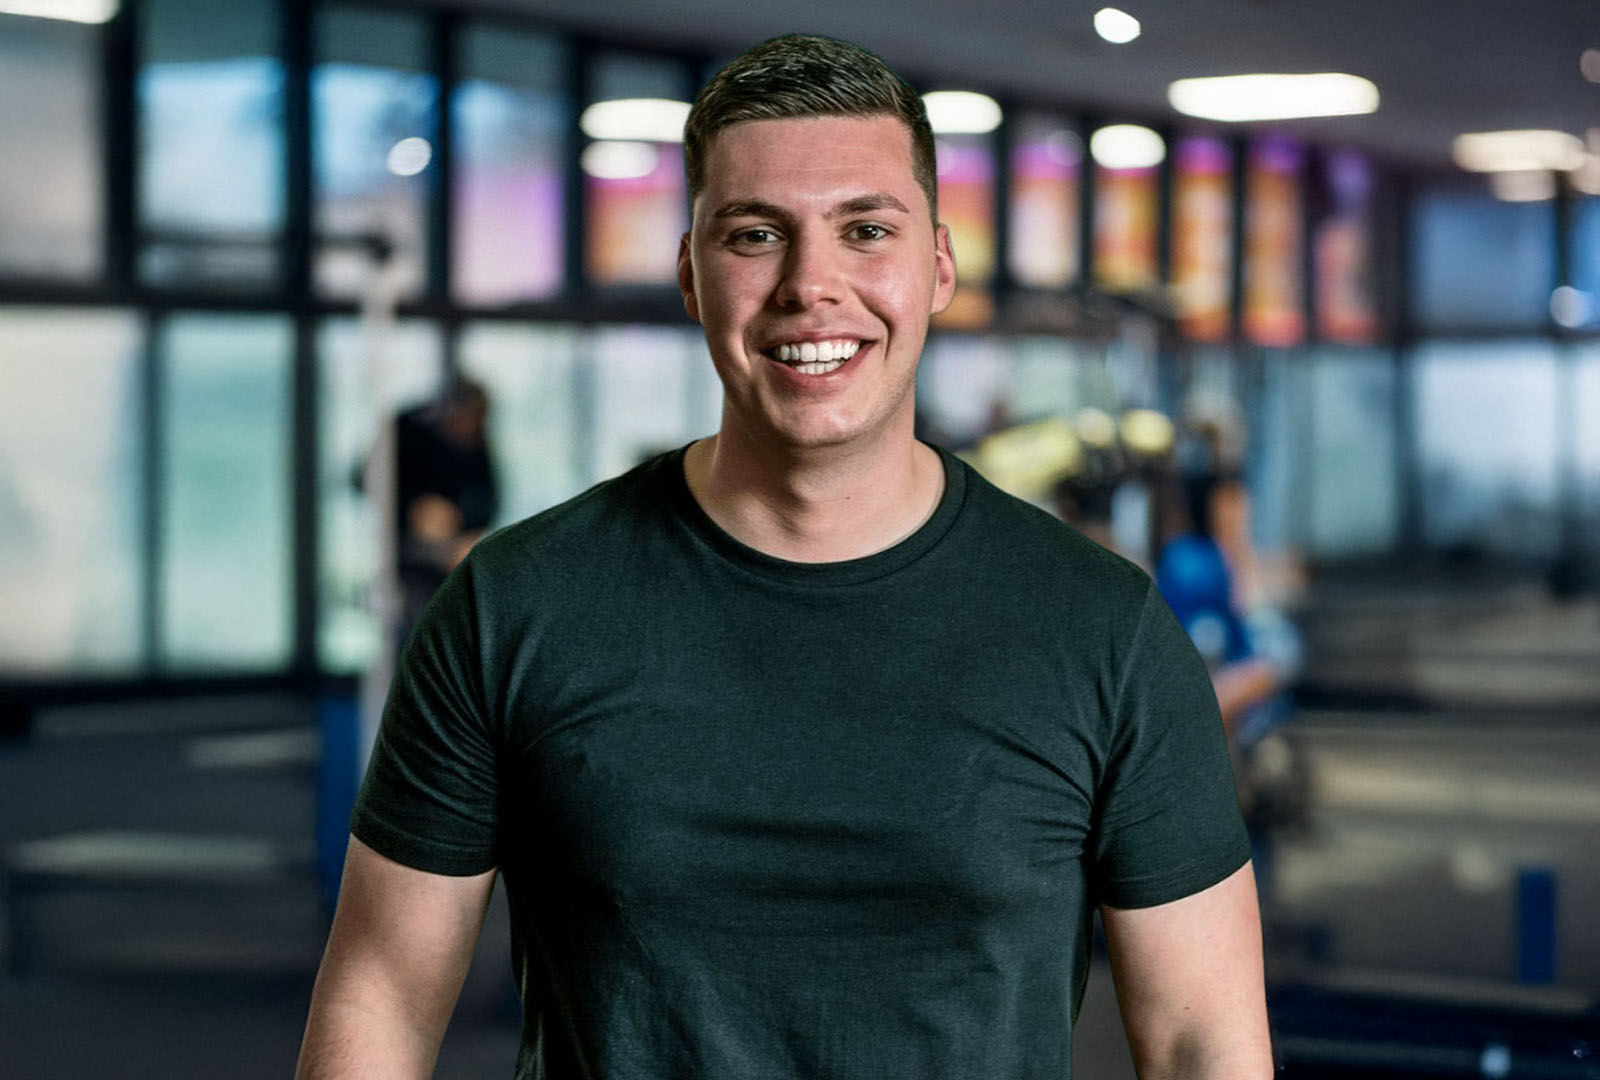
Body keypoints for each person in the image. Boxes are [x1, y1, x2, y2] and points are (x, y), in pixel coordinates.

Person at [297, 33, 1272, 1080]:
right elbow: (382, 1001)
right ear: (690, 274)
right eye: (756, 234)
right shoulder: (514, 604)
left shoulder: (1103, 629)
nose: (813, 284)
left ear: (935, 266)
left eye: (865, 230)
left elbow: (1200, 1038)